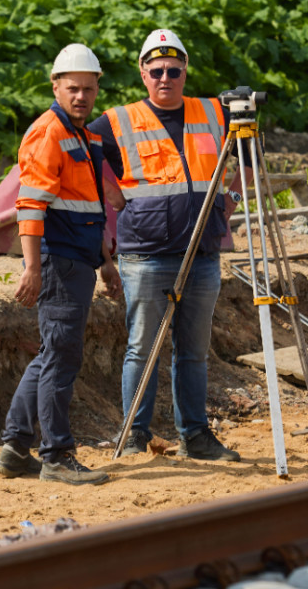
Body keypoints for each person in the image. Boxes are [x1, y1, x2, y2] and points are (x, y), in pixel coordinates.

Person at [88, 29, 248, 461]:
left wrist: (230, 200)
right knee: (143, 349)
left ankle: (195, 436)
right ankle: (135, 436)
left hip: (202, 254)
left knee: (192, 352)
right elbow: (81, 152)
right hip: (145, 255)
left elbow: (251, 155)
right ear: (143, 73)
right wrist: (111, 197)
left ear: (184, 70)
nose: (165, 78)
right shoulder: (118, 121)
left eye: (173, 70)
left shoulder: (213, 112)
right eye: (156, 70)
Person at [0, 44, 121, 486]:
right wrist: (31, 268)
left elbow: (90, 207)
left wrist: (105, 262)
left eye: (88, 89)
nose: (82, 96)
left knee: (52, 355)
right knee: (62, 359)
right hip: (57, 261)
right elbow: (29, 206)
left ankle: (14, 449)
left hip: (78, 259)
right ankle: (57, 456)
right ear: (56, 87)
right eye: (73, 88)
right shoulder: (48, 132)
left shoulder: (85, 137)